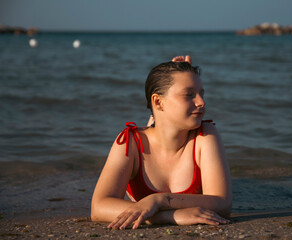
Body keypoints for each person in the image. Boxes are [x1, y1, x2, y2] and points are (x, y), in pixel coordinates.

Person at [91, 55, 232, 230]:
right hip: (153, 130)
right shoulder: (131, 142)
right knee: (158, 123)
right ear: (158, 101)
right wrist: (171, 215)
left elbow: (223, 204)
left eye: (201, 93)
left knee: (163, 119)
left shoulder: (205, 135)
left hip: (164, 120)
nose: (202, 102)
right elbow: (98, 208)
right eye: (189, 95)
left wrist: (158, 200)